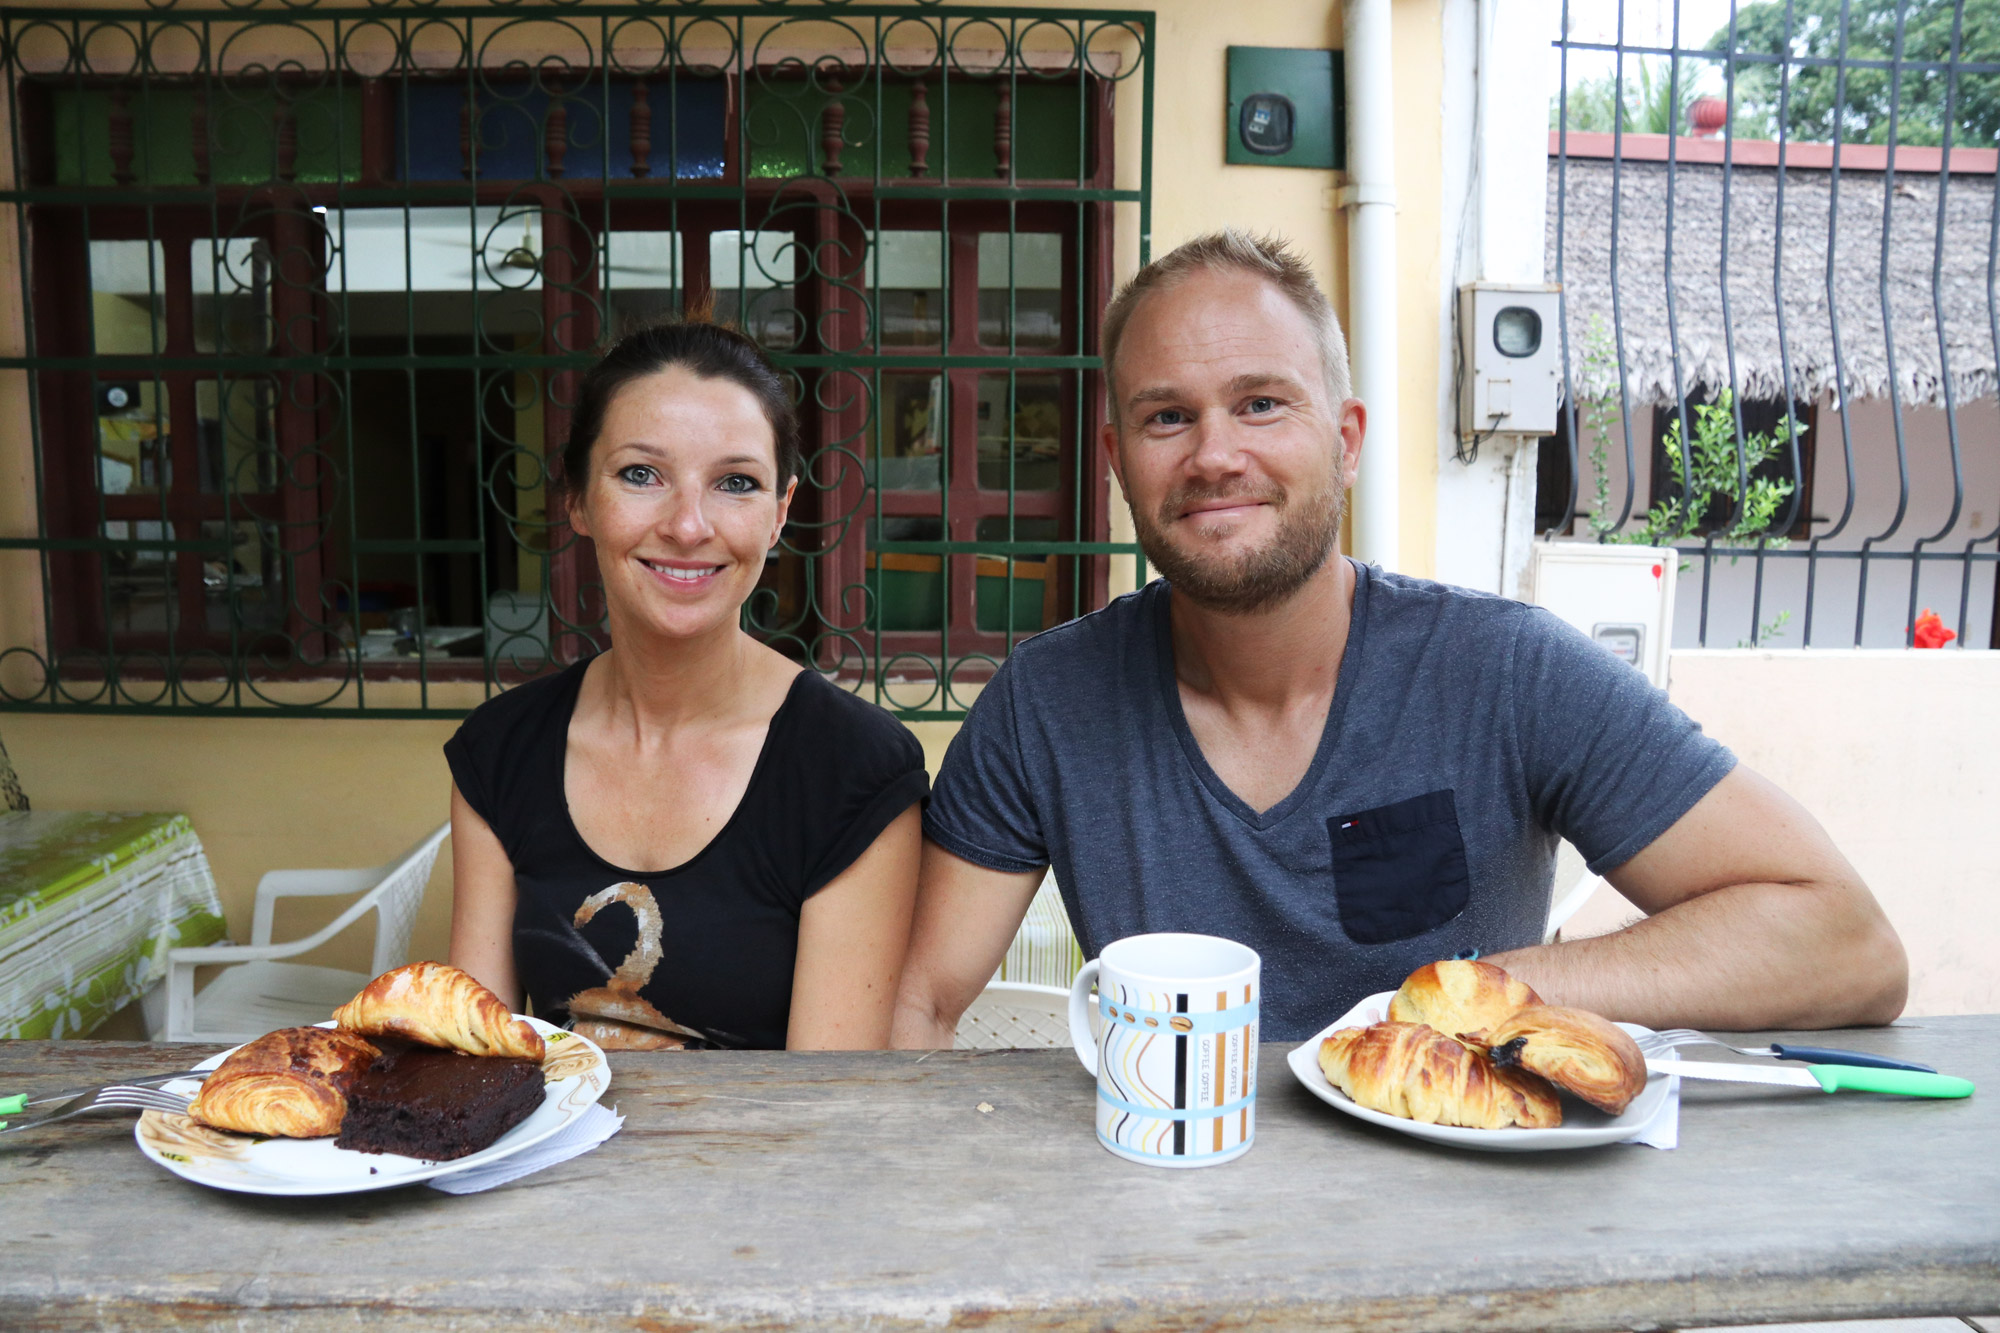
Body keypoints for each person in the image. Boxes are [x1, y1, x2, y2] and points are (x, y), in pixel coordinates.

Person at [891, 230, 1907, 1046]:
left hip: (1460, 1237)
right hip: (1171, 1219)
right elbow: (914, 1005)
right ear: (1115, 458)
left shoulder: (1503, 673)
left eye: (1258, 403)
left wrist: (1481, 990)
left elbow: (1845, 944)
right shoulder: (1046, 704)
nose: (1214, 453)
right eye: (1166, 418)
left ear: (1344, 441)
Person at [448, 319, 928, 1051]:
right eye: (641, 474)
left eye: (736, 483)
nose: (687, 524)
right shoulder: (498, 754)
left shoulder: (854, 771)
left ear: (780, 514)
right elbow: (473, 1058)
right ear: (577, 497)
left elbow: (828, 1107)